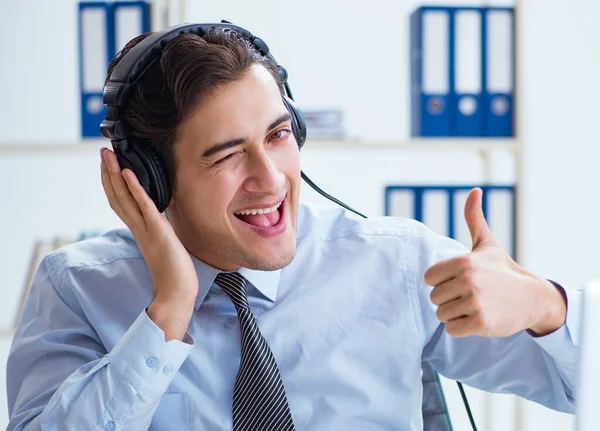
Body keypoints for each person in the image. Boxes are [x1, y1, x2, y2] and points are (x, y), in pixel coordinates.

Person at [6, 24, 578, 431]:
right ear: (150, 179)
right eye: (227, 155)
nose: (270, 178)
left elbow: (581, 390)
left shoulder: (397, 264)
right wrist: (170, 309)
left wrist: (545, 308)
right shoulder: (76, 288)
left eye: (279, 136)